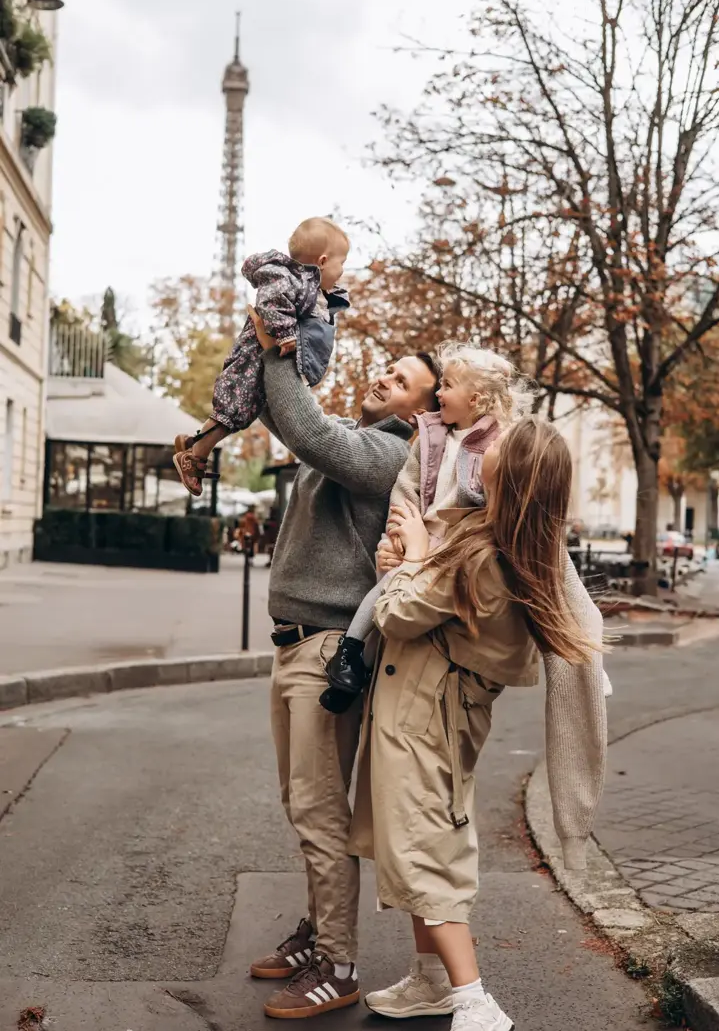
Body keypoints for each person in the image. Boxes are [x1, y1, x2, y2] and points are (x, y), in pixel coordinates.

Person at [349, 417, 607, 1029]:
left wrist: (411, 555)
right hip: (423, 709)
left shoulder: (489, 555)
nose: (485, 449)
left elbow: (401, 613)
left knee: (427, 849)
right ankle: (432, 981)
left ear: (510, 476)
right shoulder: (499, 539)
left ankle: (474, 1002)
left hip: (424, 716)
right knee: (411, 839)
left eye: (500, 448)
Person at [245, 308, 441, 1019]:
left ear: (421, 414)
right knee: (304, 804)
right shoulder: (358, 442)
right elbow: (299, 426)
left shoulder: (390, 456)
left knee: (321, 811)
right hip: (293, 641)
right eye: (387, 369)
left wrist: (279, 349)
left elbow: (305, 428)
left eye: (404, 381)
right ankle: (315, 936)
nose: (385, 378)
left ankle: (338, 961)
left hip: (329, 647)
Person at [321, 342, 531, 714]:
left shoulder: (498, 446)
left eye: (447, 386)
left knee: (405, 606)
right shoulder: (431, 436)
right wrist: (396, 534)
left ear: (475, 399)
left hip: (455, 548)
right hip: (418, 536)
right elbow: (406, 487)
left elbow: (496, 507)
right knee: (385, 590)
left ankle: (356, 658)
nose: (438, 394)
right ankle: (351, 655)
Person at [173, 217, 350, 496]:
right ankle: (195, 455)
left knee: (240, 409)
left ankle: (194, 443)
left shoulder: (308, 286)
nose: (343, 271)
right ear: (323, 260)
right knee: (236, 410)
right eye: (342, 263)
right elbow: (272, 302)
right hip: (254, 356)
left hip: (261, 357)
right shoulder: (287, 278)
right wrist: (286, 334)